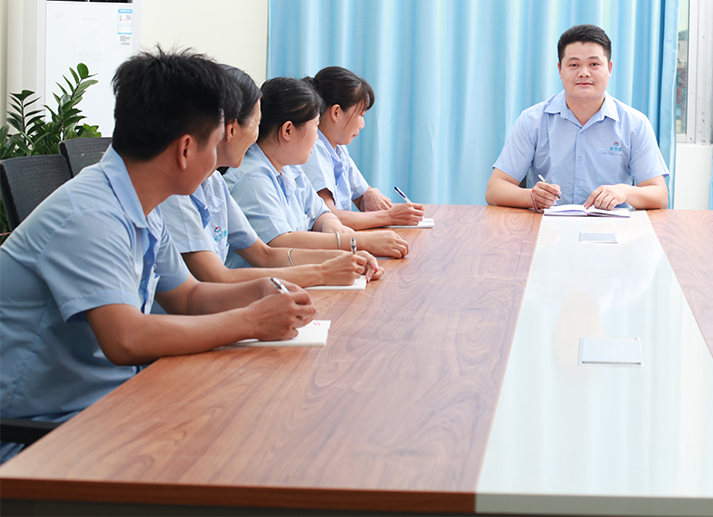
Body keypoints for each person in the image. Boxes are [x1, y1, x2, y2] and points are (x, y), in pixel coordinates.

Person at [0, 49, 315, 461]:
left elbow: (187, 296)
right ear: (186, 150)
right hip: (43, 435)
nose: (218, 160)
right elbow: (126, 339)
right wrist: (251, 320)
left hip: (113, 404)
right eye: (215, 143)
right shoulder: (89, 215)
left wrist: (260, 290)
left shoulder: (141, 202)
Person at [158, 65, 382, 288]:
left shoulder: (214, 182)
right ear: (230, 129)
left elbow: (264, 254)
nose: (255, 136)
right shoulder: (236, 180)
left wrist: (344, 258)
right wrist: (326, 268)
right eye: (255, 124)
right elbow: (217, 279)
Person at [485, 24, 669, 210]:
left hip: (611, 225)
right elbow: (495, 189)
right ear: (560, 69)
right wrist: (531, 197)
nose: (584, 73)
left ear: (609, 68)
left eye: (594, 64)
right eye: (574, 65)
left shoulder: (634, 124)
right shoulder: (532, 120)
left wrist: (625, 191)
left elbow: (660, 196)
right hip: (548, 224)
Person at [224, 77, 409, 259]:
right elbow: (280, 243)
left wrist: (331, 225)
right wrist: (357, 241)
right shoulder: (252, 179)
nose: (317, 137)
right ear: (288, 131)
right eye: (315, 126)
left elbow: (321, 213)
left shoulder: (290, 168)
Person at [300, 66, 426, 229]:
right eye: (360, 115)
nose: (362, 124)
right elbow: (328, 217)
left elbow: (361, 196)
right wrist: (389, 216)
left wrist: (369, 194)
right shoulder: (314, 149)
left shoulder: (337, 147)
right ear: (336, 112)